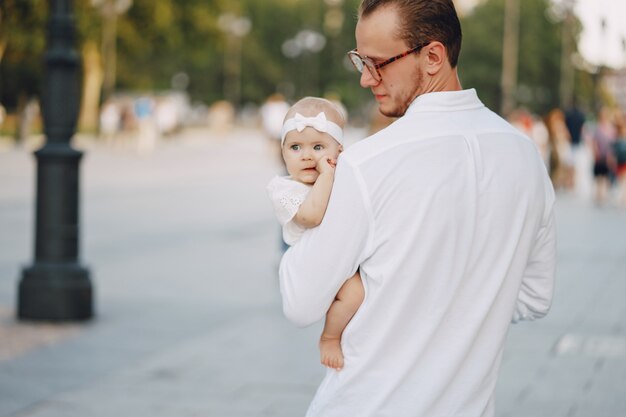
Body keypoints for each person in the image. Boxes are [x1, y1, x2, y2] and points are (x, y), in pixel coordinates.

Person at [278, 1, 556, 416]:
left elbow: (300, 301)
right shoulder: (525, 156)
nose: (364, 78)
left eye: (377, 63)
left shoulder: (369, 162)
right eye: (360, 60)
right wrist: (464, 303)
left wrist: (296, 214)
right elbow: (535, 297)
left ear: (432, 56)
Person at [268, 97, 364, 371]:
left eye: (318, 147)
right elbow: (311, 216)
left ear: (339, 152)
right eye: (296, 147)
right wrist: (326, 177)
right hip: (305, 262)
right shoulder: (282, 189)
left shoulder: (339, 178)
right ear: (283, 153)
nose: (307, 155)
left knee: (356, 292)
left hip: (337, 257)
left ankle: (333, 333)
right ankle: (329, 338)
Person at [590, 106, 617, 205]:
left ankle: (603, 195)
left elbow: (612, 144)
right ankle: (598, 195)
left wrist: (611, 156)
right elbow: (594, 142)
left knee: (605, 176)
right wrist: (595, 152)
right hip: (599, 156)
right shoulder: (598, 128)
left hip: (607, 157)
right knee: (599, 176)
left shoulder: (610, 129)